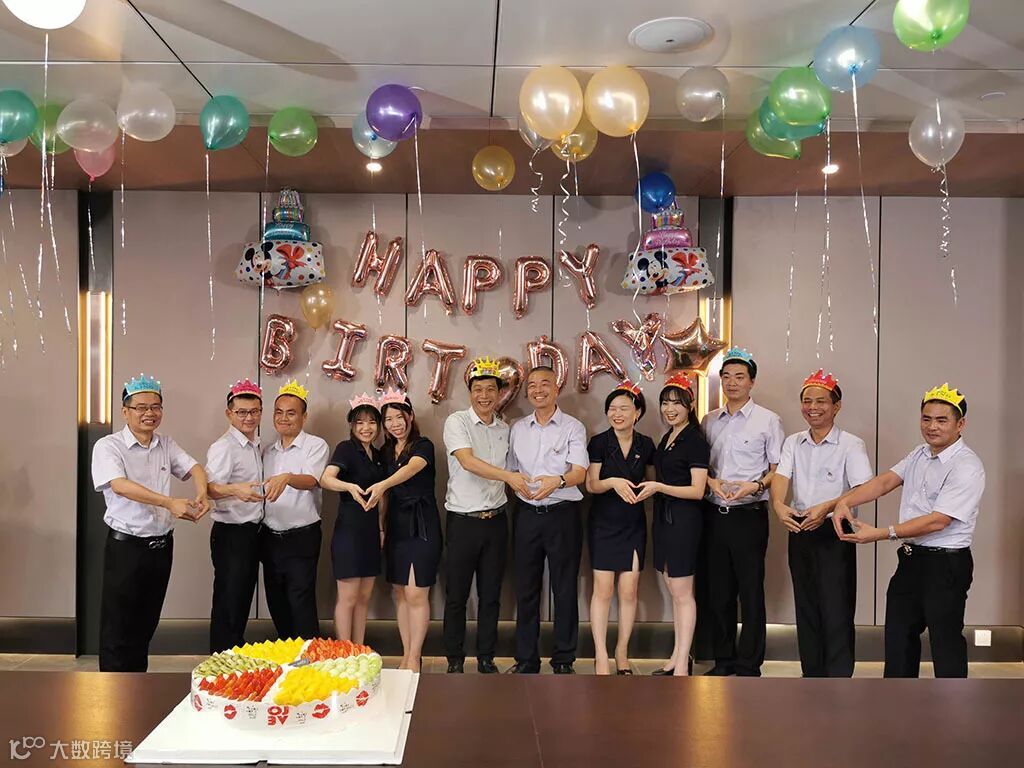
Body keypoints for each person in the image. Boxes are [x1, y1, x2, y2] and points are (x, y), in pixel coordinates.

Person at [834, 384, 985, 678]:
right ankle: (897, 702)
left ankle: (953, 704)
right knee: (899, 637)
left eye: (941, 420)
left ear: (960, 424)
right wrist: (845, 502)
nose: (932, 426)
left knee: (945, 641)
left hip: (946, 564)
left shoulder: (967, 465)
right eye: (926, 419)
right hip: (912, 560)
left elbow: (938, 521)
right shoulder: (919, 454)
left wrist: (882, 533)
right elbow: (884, 482)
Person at [91, 374, 210, 671]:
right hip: (126, 548)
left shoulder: (165, 444)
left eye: (155, 407)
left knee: (145, 624)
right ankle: (113, 690)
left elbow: (195, 467)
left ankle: (136, 686)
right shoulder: (109, 446)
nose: (149, 413)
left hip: (161, 548)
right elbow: (119, 485)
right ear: (125, 411)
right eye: (141, 407)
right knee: (119, 627)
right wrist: (169, 502)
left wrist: (202, 493)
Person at [769, 370, 873, 677]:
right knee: (806, 605)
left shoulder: (851, 444)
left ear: (836, 406)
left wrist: (827, 508)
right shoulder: (793, 442)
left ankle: (839, 678)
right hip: (800, 527)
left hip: (834, 530)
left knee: (837, 607)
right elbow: (781, 477)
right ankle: (811, 674)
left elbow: (863, 489)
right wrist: (778, 505)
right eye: (807, 401)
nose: (812, 407)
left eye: (821, 401)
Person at [701, 347, 784, 677]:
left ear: (752, 382)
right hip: (714, 515)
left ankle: (749, 664)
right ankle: (723, 660)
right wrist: (711, 482)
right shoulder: (709, 420)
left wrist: (756, 486)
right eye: (726, 377)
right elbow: (700, 467)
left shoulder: (768, 420)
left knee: (750, 591)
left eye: (739, 377)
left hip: (749, 515)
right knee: (719, 592)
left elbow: (779, 470)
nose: (732, 383)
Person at [442, 356, 528, 674]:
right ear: (470, 392)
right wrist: (509, 478)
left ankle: (486, 657)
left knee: (491, 595)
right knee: (457, 595)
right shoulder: (457, 422)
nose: (484, 395)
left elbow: (517, 467)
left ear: (500, 393)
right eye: (478, 389)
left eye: (491, 389)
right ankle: (454, 659)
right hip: (463, 521)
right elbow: (467, 461)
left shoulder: (505, 429)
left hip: (496, 521)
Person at [506, 366, 588, 674]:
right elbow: (511, 470)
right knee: (526, 589)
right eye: (532, 385)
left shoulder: (573, 427)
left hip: (562, 515)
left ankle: (564, 659)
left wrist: (558, 481)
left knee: (564, 588)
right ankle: (526, 659)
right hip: (526, 515)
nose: (538, 390)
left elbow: (579, 473)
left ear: (557, 389)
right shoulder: (517, 428)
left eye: (545, 384)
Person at [362, 390, 442, 673]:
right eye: (388, 419)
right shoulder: (385, 452)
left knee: (417, 593)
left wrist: (384, 483)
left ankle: (415, 657)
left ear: (410, 417)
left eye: (399, 417)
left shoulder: (423, 445)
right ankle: (406, 653)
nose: (395, 424)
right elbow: (384, 498)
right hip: (396, 525)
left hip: (422, 525)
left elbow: (412, 468)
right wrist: (381, 527)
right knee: (399, 593)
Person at [639, 373, 711, 677]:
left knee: (683, 593)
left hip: (683, 520)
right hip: (664, 520)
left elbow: (697, 490)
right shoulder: (668, 437)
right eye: (665, 403)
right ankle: (675, 657)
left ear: (689, 406)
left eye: (677, 403)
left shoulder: (695, 440)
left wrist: (659, 487)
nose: (670, 409)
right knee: (674, 590)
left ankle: (682, 663)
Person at [585, 380, 655, 675]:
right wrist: (612, 482)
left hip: (633, 523)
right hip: (604, 523)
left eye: (624, 409)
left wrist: (650, 489)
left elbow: (652, 481)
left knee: (629, 590)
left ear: (637, 413)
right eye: (612, 408)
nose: (617, 414)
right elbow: (591, 484)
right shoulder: (599, 443)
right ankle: (600, 655)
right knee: (602, 590)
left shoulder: (646, 444)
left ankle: (622, 652)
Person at [260, 379, 329, 640]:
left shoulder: (315, 445)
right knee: (276, 598)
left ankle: (307, 655)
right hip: (270, 536)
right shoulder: (268, 451)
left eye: (291, 413)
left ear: (304, 417)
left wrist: (287, 478)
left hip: (302, 535)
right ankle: (286, 652)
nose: (284, 418)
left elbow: (312, 480)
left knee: (300, 598)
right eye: (279, 412)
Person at [205, 378, 265, 653]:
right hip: (231, 534)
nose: (248, 418)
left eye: (254, 412)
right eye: (241, 412)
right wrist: (235, 490)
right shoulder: (224, 447)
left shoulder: (255, 444)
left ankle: (234, 656)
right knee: (229, 601)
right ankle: (220, 660)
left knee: (241, 599)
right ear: (229, 414)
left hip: (252, 532)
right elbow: (209, 488)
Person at [320, 392, 385, 644]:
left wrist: (381, 528)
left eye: (371, 422)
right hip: (349, 532)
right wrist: (348, 487)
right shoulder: (346, 449)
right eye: (360, 422)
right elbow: (326, 479)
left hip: (371, 532)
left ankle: (359, 649)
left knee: (364, 597)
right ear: (351, 425)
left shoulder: (378, 456)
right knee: (347, 597)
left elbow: (383, 496)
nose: (366, 428)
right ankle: (345, 652)